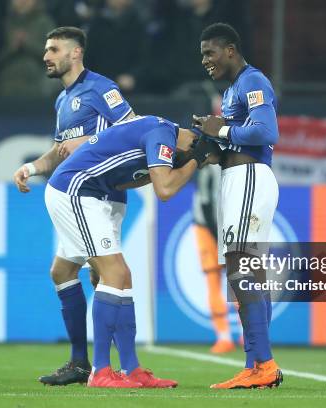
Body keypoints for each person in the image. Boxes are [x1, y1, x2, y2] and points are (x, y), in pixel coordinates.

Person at [44, 115, 217, 387]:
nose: (199, 167)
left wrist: (191, 159)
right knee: (114, 273)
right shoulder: (163, 135)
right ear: (195, 144)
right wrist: (197, 160)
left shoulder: (159, 134)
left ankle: (131, 369)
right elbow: (166, 189)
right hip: (76, 191)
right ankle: (100, 372)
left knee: (107, 276)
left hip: (91, 194)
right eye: (207, 160)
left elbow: (125, 180)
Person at [12, 26, 134, 386]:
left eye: (53, 49)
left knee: (106, 274)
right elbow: (62, 150)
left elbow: (133, 130)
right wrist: (33, 167)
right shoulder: (63, 100)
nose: (46, 56)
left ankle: (118, 366)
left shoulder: (102, 88)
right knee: (63, 272)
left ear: (76, 53)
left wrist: (91, 140)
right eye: (46, 50)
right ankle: (84, 362)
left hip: (99, 196)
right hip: (76, 197)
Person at [193, 22, 283, 389]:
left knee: (240, 268)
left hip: (250, 179)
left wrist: (222, 131)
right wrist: (210, 145)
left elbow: (266, 131)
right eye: (202, 55)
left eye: (210, 53)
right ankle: (255, 365)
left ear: (230, 49)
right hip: (236, 179)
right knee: (250, 275)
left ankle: (263, 364)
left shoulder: (252, 80)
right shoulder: (232, 90)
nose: (205, 61)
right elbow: (235, 138)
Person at [193, 165, 237, 354]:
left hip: (232, 228)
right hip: (207, 227)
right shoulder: (208, 167)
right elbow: (205, 202)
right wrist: (218, 236)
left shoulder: (240, 164)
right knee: (214, 280)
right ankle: (224, 337)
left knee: (240, 279)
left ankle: (248, 334)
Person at [0, 0, 55, 96]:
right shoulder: (4, 23)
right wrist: (12, 47)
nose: (22, 1)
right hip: (8, 81)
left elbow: (54, 54)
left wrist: (28, 43)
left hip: (36, 79)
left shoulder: (44, 22)